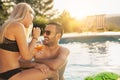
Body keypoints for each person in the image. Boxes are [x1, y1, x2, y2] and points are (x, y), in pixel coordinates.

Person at [0, 3, 58, 80]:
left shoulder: (7, 26)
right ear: (27, 13)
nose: (32, 21)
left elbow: (18, 57)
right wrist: (35, 37)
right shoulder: (17, 26)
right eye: (32, 16)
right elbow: (26, 57)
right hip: (12, 74)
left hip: (5, 73)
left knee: (42, 74)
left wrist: (35, 63)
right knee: (53, 73)